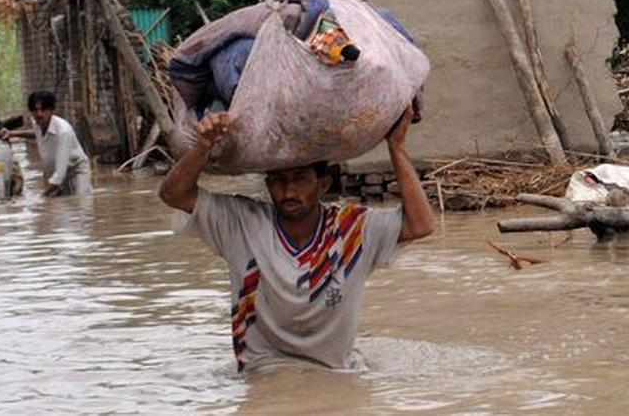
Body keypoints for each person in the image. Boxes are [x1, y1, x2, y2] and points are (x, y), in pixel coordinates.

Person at [159, 107, 436, 372]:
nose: (288, 190)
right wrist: (203, 147)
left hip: (338, 371)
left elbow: (421, 224)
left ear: (323, 185)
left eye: (300, 179)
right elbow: (173, 195)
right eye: (278, 180)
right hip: (266, 368)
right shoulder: (241, 223)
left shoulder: (353, 228)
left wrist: (396, 149)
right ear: (268, 185)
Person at [27, 91, 92, 197]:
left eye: (43, 109)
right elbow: (35, 133)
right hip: (53, 171)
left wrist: (40, 199)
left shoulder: (63, 132)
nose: (39, 114)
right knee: (57, 206)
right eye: (35, 110)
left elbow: (59, 176)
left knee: (82, 202)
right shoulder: (37, 124)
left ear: (51, 110)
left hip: (76, 170)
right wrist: (12, 134)